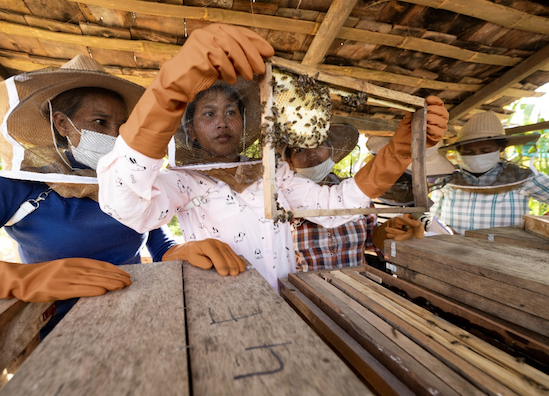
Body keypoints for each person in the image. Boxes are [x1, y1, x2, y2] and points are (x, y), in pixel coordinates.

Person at [96, 23, 449, 290]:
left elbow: (333, 207)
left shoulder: (273, 172)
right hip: (224, 303)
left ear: (246, 122)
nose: (222, 122)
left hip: (288, 295)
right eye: (208, 114)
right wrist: (167, 90)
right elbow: (125, 205)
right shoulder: (180, 180)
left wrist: (402, 150)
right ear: (190, 130)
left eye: (231, 111)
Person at [0, 56, 244, 331]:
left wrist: (183, 249)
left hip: (146, 315)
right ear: (62, 124)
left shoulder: (129, 183)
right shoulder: (14, 187)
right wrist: (21, 280)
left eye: (123, 127)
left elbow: (159, 243)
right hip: (60, 335)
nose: (115, 137)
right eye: (100, 123)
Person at [285, 124, 425, 271]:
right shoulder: (283, 200)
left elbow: (371, 241)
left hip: (359, 285)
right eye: (299, 149)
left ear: (331, 150)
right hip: (306, 290)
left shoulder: (359, 196)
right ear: (289, 161)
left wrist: (386, 232)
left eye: (318, 144)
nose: (311, 153)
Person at [430, 111, 549, 235]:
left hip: (504, 250)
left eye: (485, 150)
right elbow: (432, 216)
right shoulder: (448, 178)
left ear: (501, 147)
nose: (477, 156)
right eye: (469, 152)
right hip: (452, 249)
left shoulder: (522, 178)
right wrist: (440, 228)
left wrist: (541, 225)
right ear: (459, 150)